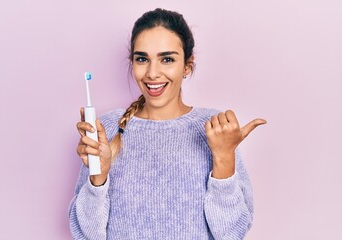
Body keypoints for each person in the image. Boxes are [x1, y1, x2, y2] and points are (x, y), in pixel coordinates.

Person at [69, 8, 266, 240]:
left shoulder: (214, 129)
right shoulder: (108, 129)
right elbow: (87, 234)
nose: (153, 73)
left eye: (167, 59)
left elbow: (232, 233)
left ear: (187, 66)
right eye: (142, 59)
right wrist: (98, 177)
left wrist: (223, 158)